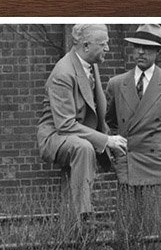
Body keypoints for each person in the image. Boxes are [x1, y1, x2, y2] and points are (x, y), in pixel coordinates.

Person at [37, 23, 127, 223]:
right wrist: (106, 140)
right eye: (103, 44)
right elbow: (65, 124)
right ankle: (83, 216)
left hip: (77, 132)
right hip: (55, 136)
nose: (108, 49)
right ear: (86, 46)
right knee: (84, 148)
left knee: (113, 148)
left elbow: (97, 107)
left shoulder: (90, 64)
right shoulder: (63, 73)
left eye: (108, 44)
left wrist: (109, 140)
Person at [105, 23, 161, 232]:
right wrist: (126, 145)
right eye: (137, 46)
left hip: (159, 165)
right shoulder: (117, 83)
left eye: (148, 47)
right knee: (127, 232)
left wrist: (159, 144)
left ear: (157, 51)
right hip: (129, 163)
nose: (141, 52)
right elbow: (110, 121)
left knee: (156, 231)